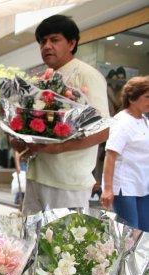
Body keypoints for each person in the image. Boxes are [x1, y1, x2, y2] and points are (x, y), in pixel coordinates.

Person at [10, 15, 109, 215]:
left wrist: (60, 147)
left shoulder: (86, 74)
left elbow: (103, 130)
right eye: (42, 41)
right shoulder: (42, 78)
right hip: (37, 175)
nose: (46, 46)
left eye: (54, 40)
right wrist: (21, 139)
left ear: (71, 43)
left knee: (60, 245)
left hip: (68, 182)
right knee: (32, 241)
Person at [101, 76, 149, 230]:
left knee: (145, 232)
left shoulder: (144, 121)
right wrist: (108, 189)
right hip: (124, 187)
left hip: (142, 185)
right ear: (132, 98)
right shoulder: (122, 121)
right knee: (129, 234)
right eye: (147, 97)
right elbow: (110, 156)